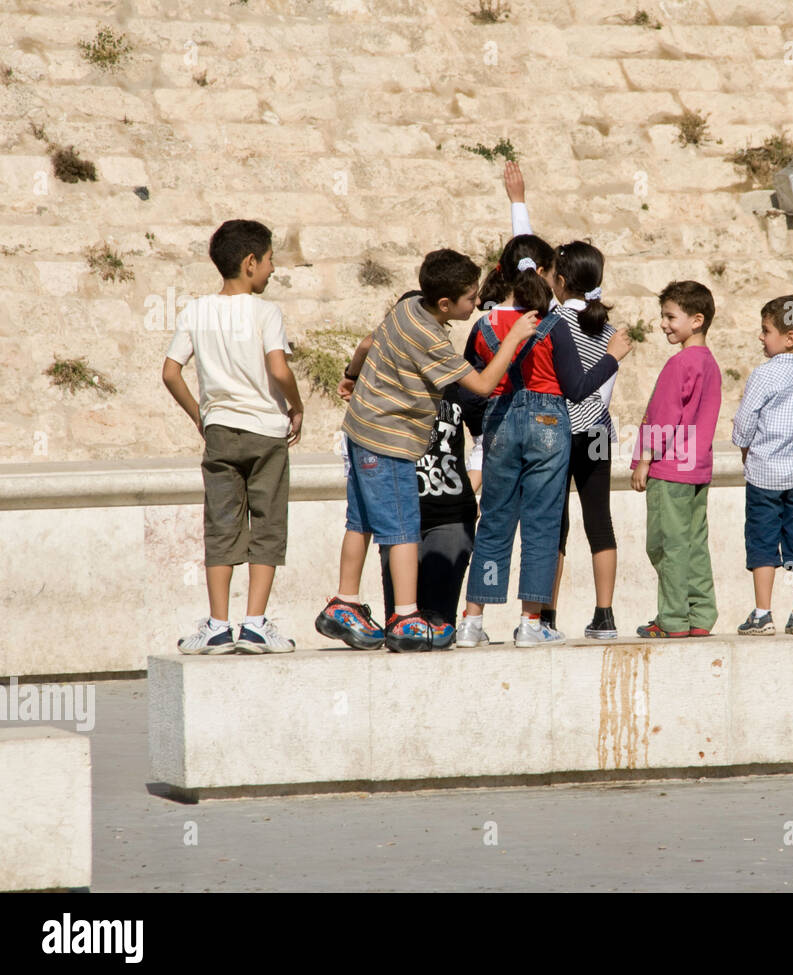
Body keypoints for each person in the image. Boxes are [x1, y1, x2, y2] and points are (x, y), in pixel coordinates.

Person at [315, 249, 537, 653]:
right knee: (402, 529)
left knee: (360, 521)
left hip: (361, 431)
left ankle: (344, 602)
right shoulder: (432, 339)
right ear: (446, 304)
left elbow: (368, 342)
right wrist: (515, 338)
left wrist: (352, 375)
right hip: (390, 440)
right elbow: (484, 384)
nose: (477, 302)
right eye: (471, 298)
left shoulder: (407, 309)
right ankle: (405, 617)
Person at [457, 235, 631, 648]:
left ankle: (472, 621)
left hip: (501, 423)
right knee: (542, 526)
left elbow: (467, 387)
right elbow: (576, 387)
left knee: (495, 522)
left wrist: (484, 428)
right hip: (550, 425)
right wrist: (612, 358)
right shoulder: (552, 324)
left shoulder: (483, 325)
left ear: (502, 270)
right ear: (547, 274)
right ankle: (530, 623)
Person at [162, 219, 303, 655]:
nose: (273, 269)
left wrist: (201, 416)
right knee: (267, 524)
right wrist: (297, 406)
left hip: (220, 431)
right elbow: (278, 370)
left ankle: (218, 624)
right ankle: (256, 623)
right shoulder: (266, 313)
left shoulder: (195, 310)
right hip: (265, 432)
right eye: (269, 260)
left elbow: (171, 373)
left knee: (221, 526)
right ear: (249, 263)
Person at [338, 292, 488, 642]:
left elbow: (486, 439)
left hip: (450, 518)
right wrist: (353, 370)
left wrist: (469, 483)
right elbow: (359, 451)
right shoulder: (383, 387)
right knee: (402, 627)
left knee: (437, 625)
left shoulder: (455, 380)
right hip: (400, 520)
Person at [730, 295, 793, 636]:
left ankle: (763, 613)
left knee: (763, 542)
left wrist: (745, 447)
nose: (761, 337)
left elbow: (744, 424)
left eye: (766, 330)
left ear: (788, 337)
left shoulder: (764, 376)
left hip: (763, 474)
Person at [631, 280, 722, 638]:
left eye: (671, 316)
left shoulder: (679, 363)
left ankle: (671, 619)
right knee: (694, 544)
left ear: (696, 320)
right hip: (697, 469)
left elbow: (664, 417)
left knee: (666, 545)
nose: (664, 323)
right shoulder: (710, 363)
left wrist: (644, 460)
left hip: (670, 470)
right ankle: (700, 616)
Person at [546, 241, 621, 640]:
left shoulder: (553, 321)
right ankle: (604, 615)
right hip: (598, 433)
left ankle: (546, 616)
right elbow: (603, 392)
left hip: (559, 433)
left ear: (559, 281)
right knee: (600, 522)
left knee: (554, 527)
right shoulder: (608, 330)